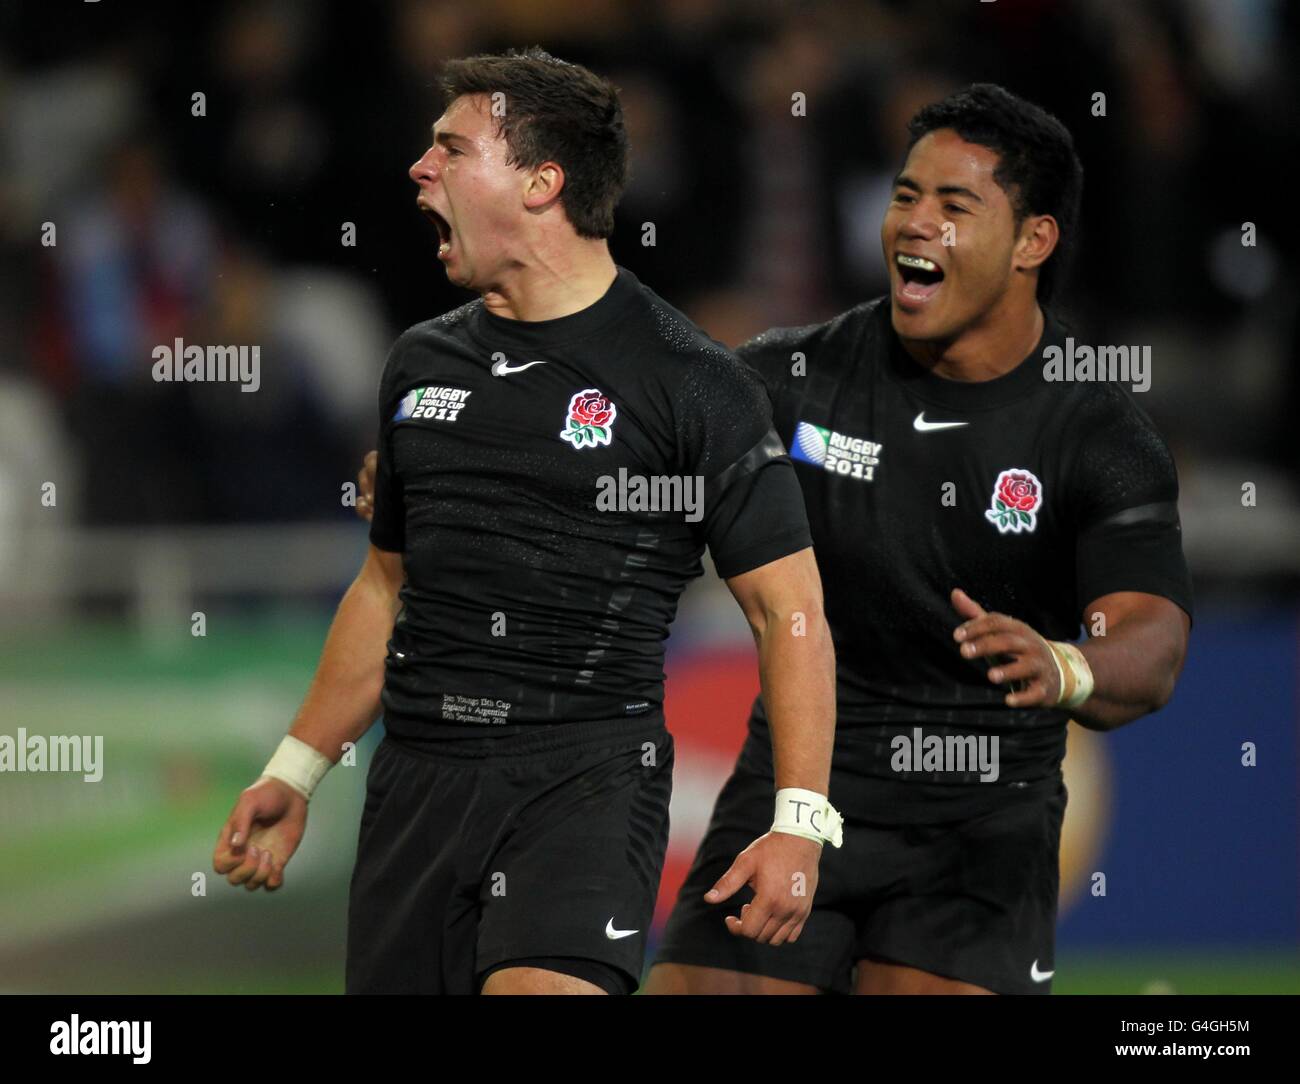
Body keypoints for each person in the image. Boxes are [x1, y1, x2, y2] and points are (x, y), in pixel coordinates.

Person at [212, 48, 839, 996]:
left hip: (584, 781)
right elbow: (385, 587)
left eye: (451, 150)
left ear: (542, 183)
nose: (419, 171)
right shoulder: (419, 365)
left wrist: (800, 819)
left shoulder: (694, 384)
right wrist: (296, 772)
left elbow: (788, 610)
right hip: (417, 788)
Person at [645, 84, 1193, 995]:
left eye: (954, 204)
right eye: (906, 196)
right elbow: (628, 430)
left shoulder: (1099, 436)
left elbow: (1152, 639)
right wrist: (452, 456)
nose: (914, 224)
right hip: (801, 791)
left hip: (980, 827)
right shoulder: (796, 376)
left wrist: (1067, 666)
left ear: (1033, 242)